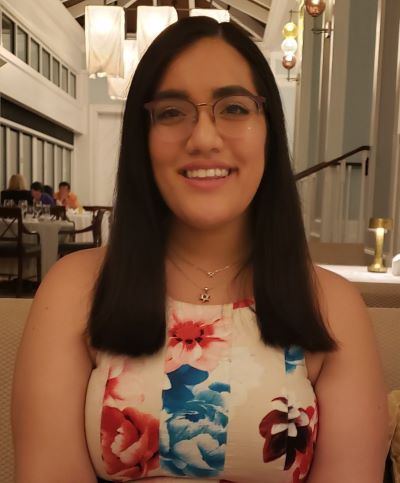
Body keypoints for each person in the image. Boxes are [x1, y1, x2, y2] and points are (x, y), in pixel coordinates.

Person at [12, 17, 388, 483]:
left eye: (233, 108)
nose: (204, 138)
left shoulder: (331, 305)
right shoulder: (75, 288)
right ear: (141, 140)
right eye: (172, 112)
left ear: (268, 130)